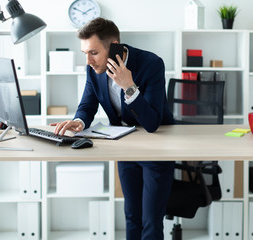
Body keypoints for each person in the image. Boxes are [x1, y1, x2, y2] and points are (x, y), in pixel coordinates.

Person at [51, 17, 175, 240]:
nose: (88, 60)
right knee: (131, 216)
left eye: (94, 52)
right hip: (124, 149)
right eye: (85, 53)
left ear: (115, 45)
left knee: (151, 223)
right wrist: (79, 121)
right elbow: (87, 105)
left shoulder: (151, 64)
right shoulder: (94, 70)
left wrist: (129, 87)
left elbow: (152, 123)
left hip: (156, 151)